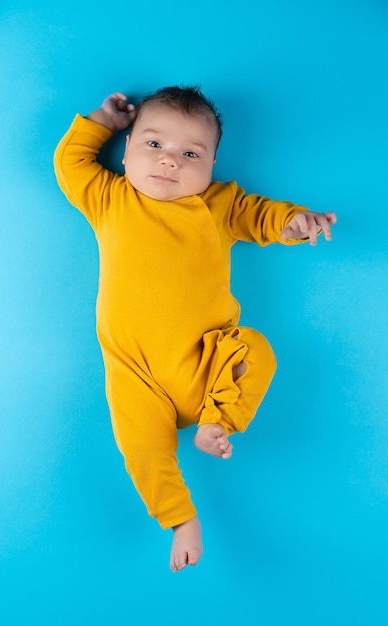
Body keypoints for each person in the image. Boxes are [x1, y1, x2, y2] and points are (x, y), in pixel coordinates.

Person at [54, 86, 336, 573]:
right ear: (125, 155)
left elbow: (260, 215)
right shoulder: (110, 198)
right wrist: (102, 120)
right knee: (139, 445)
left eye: (190, 154)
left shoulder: (218, 203)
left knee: (258, 351)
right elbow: (71, 163)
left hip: (210, 361)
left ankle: (216, 422)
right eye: (154, 145)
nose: (169, 163)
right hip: (136, 374)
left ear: (210, 166)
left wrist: (294, 222)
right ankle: (180, 518)